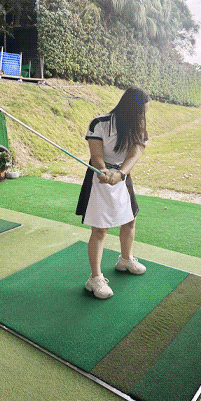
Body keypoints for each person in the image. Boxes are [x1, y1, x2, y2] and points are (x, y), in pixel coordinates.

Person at [78, 87, 150, 299]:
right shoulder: (99, 124)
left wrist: (120, 174)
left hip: (121, 175)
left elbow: (133, 156)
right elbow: (96, 155)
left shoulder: (140, 130)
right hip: (98, 177)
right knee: (100, 230)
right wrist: (102, 171)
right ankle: (95, 278)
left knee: (130, 220)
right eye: (141, 112)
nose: (144, 117)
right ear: (130, 110)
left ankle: (125, 260)